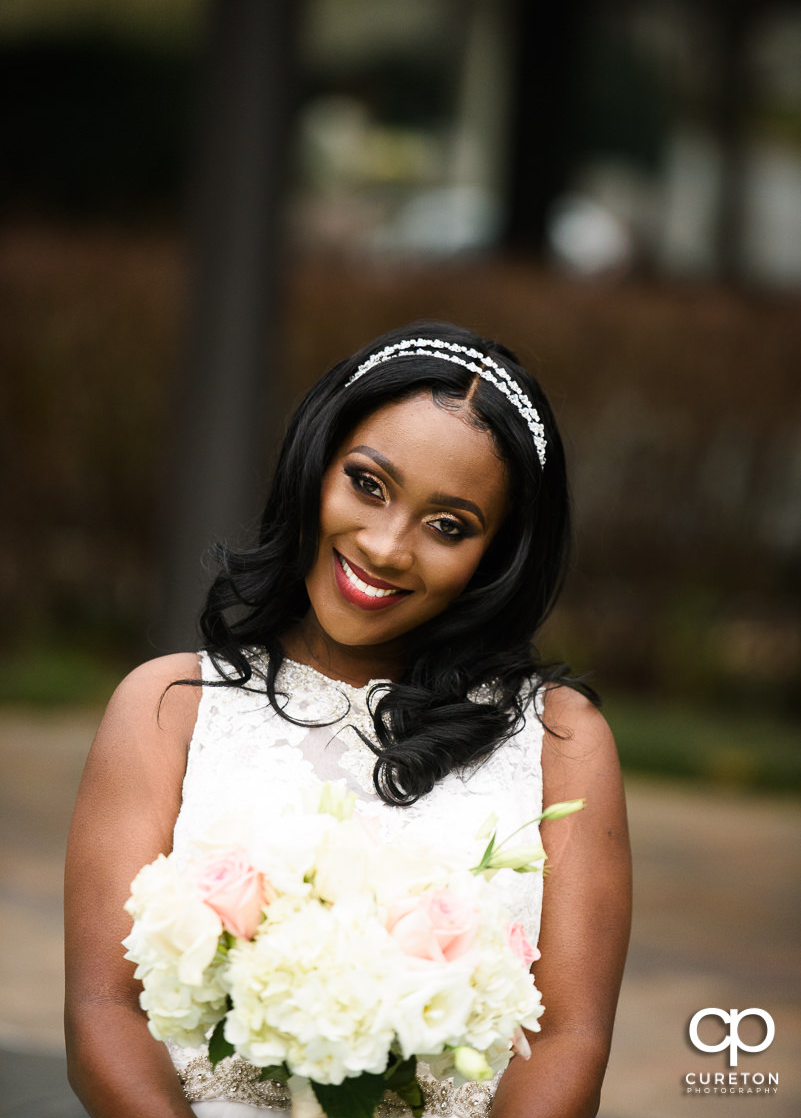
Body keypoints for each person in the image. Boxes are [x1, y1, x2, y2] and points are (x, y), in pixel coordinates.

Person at [65, 323, 631, 1118]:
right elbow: (103, 1010)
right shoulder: (169, 708)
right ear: (314, 465)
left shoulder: (560, 743)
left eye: (448, 526)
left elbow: (572, 1038)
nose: (385, 546)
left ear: (498, 555)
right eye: (367, 484)